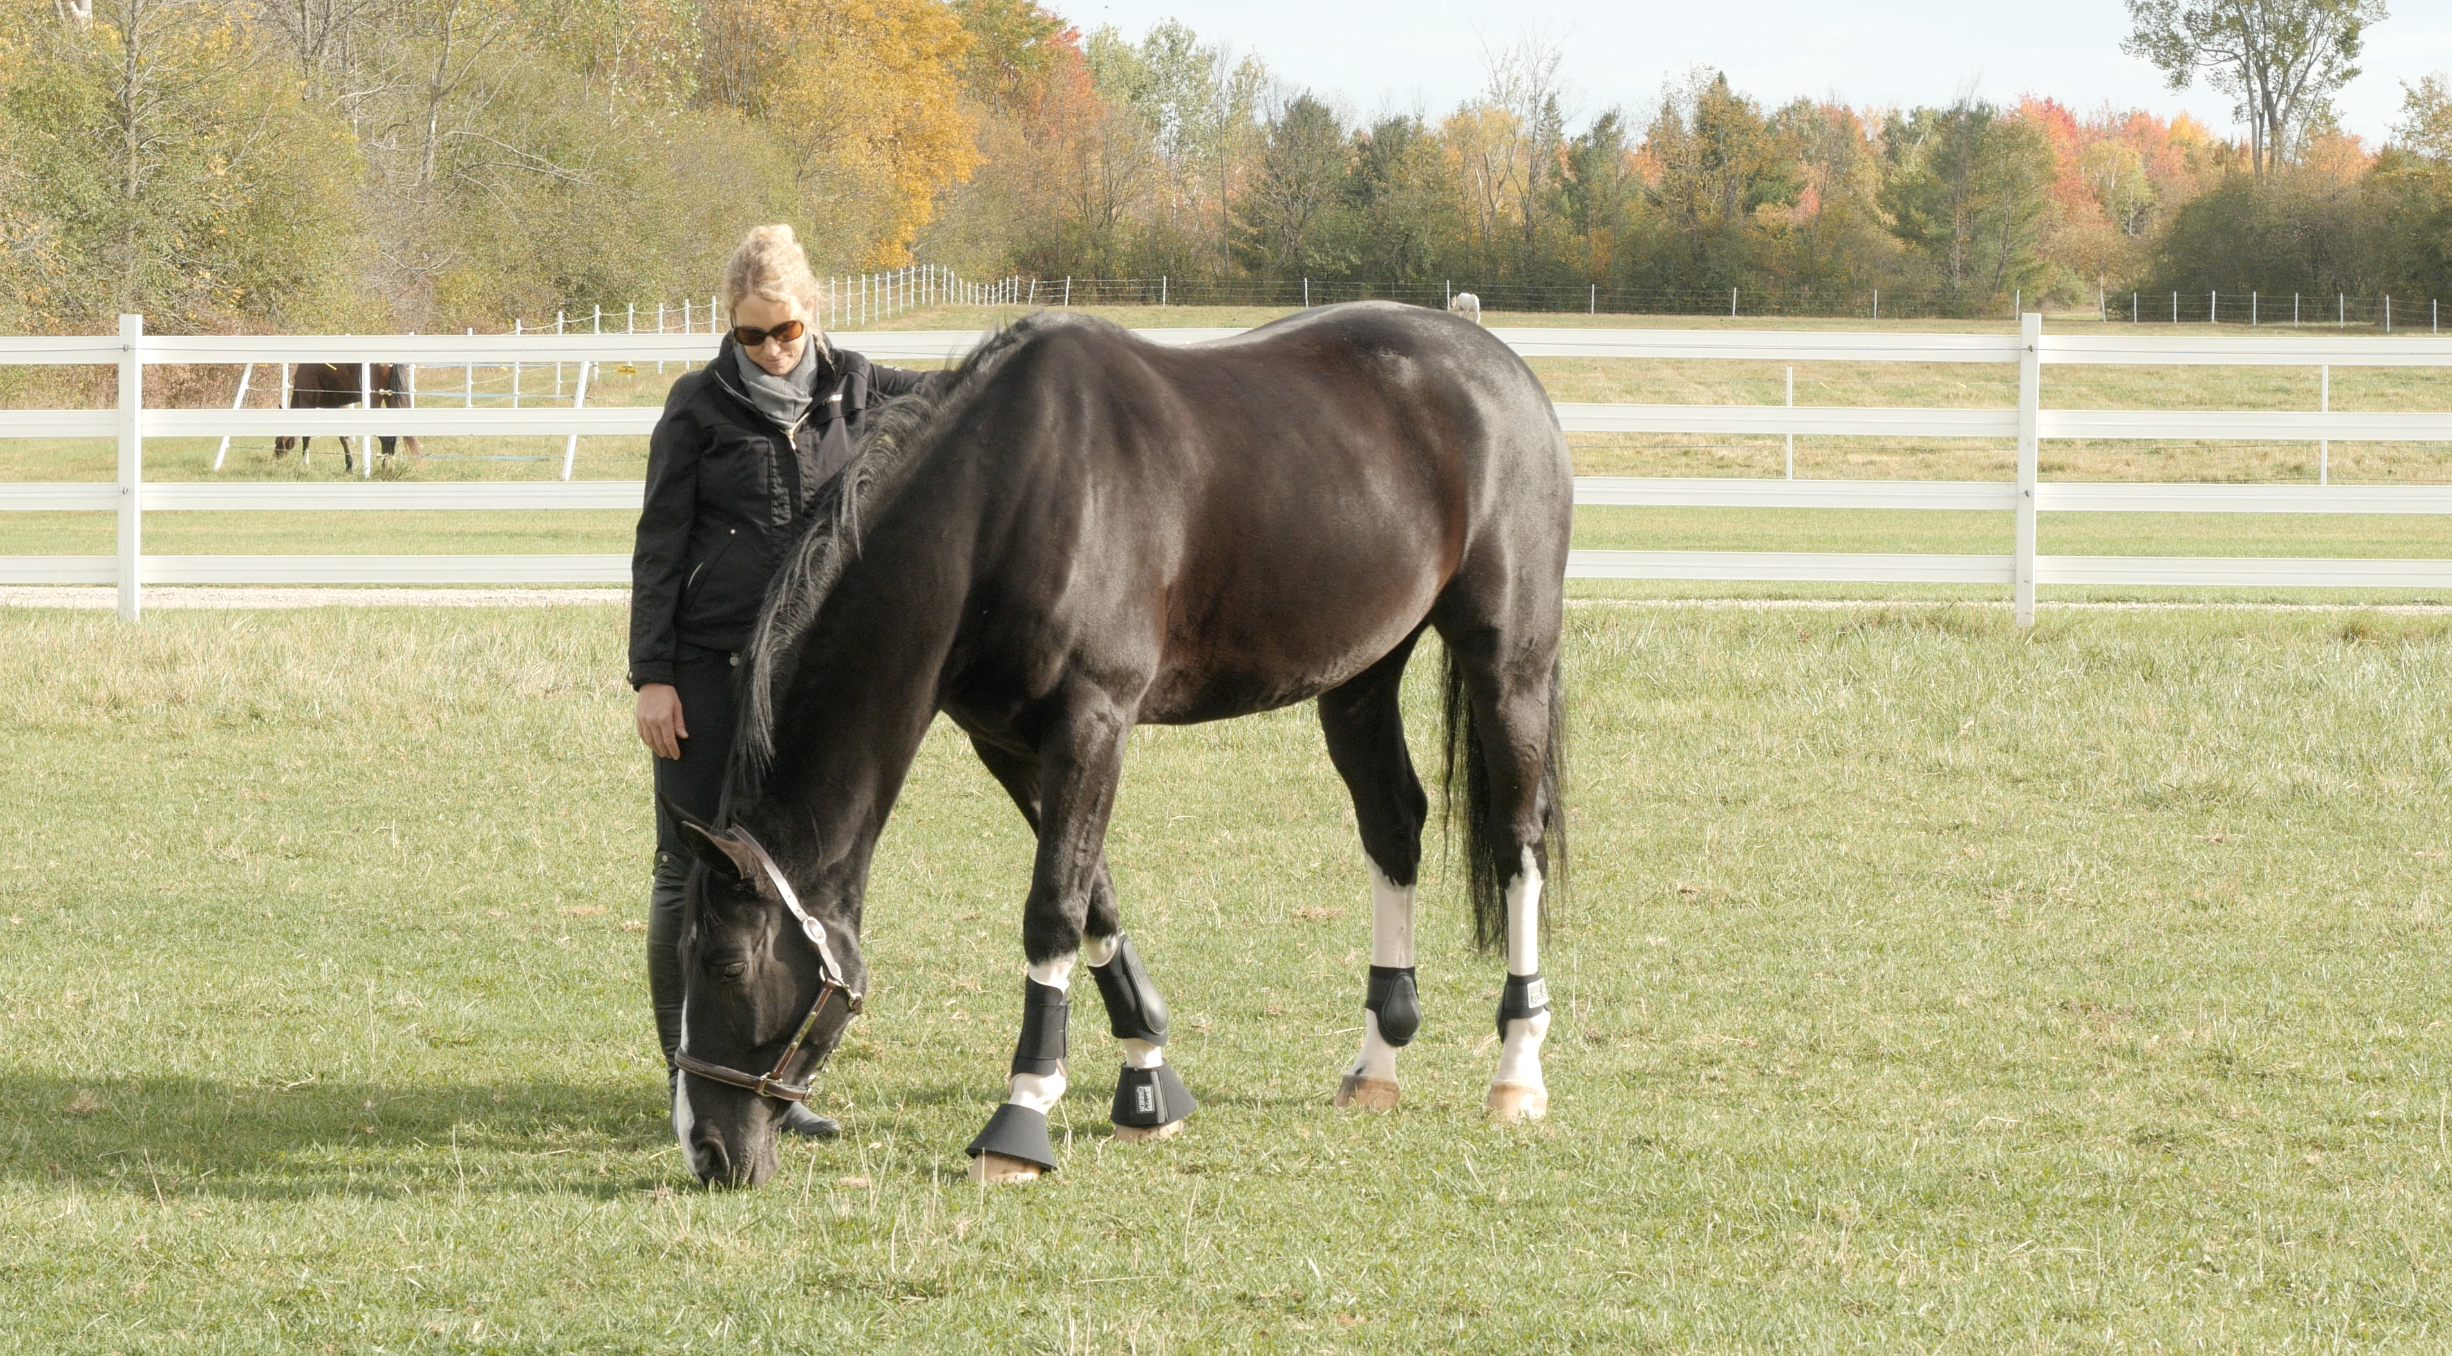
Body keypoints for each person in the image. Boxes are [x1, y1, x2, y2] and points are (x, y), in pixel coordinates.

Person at [628, 224, 929, 1138]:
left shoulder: (861, 388)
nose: (769, 350)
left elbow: (967, 403)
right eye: (751, 334)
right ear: (730, 326)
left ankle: (778, 1081)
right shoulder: (697, 406)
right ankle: (688, 1076)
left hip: (814, 687)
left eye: (785, 331)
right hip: (708, 677)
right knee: (689, 872)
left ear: (814, 314)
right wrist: (652, 677)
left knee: (795, 882)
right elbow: (659, 546)